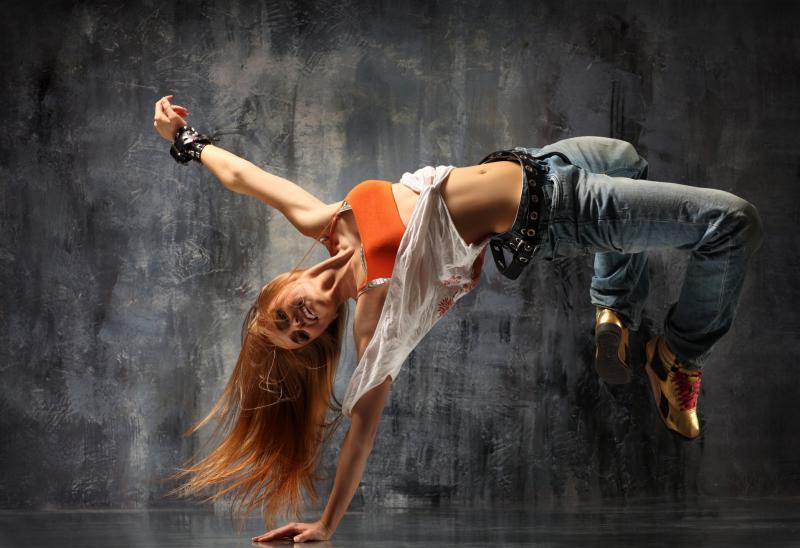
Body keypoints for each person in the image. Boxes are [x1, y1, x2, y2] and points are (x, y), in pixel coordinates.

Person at [152, 95, 763, 542]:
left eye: (284, 317)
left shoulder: (327, 221)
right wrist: (326, 524)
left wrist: (186, 141)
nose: (300, 321)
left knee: (626, 159)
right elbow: (362, 429)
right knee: (731, 222)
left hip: (542, 161)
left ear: (278, 288)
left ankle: (615, 309)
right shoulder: (375, 312)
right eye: (300, 334)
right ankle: (678, 354)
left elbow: (246, 178)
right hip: (558, 211)